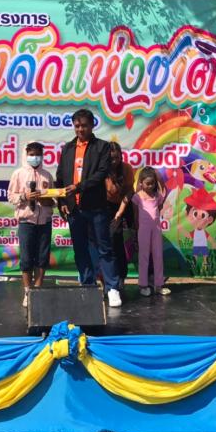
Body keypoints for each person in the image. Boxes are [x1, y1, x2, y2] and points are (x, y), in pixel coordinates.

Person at [55, 109, 121, 308]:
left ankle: (112, 288)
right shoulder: (67, 148)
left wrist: (79, 187)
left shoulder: (102, 147)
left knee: (104, 248)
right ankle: (87, 285)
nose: (80, 129)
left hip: (96, 207)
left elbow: (101, 174)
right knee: (80, 249)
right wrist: (62, 202)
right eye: (77, 126)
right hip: (74, 209)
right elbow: (60, 177)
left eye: (84, 125)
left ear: (92, 125)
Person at [7, 142, 55, 307]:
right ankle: (28, 292)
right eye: (32, 154)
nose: (35, 157)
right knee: (26, 257)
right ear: (26, 155)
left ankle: (37, 290)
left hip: (44, 222)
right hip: (26, 221)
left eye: (38, 154)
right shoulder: (18, 174)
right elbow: (11, 196)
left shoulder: (47, 175)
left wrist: (47, 200)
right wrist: (24, 197)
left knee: (42, 257)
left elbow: (54, 199)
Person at [132, 167, 170, 297]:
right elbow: (135, 215)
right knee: (144, 257)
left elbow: (164, 191)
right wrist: (136, 230)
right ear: (141, 183)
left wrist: (157, 175)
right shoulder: (137, 197)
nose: (150, 186)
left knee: (158, 255)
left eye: (152, 183)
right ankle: (143, 285)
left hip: (156, 230)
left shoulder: (157, 196)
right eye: (147, 183)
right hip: (143, 230)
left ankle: (158, 285)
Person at [105, 141, 135, 287]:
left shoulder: (127, 169)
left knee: (117, 239)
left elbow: (129, 192)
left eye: (117, 157)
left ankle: (121, 276)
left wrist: (120, 212)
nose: (114, 161)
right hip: (106, 206)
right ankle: (108, 277)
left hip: (124, 204)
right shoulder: (102, 170)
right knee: (109, 240)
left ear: (121, 156)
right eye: (111, 158)